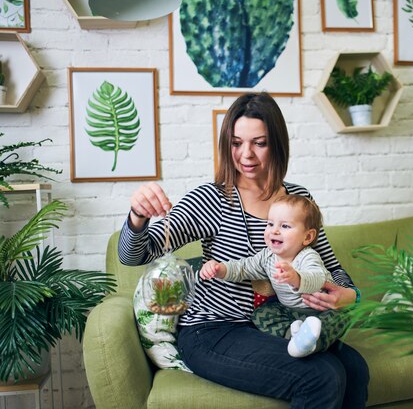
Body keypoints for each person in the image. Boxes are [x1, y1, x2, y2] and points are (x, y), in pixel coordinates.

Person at [118, 92, 369, 409]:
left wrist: (349, 295)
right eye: (236, 143)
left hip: (276, 323)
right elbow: (134, 255)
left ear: (276, 143)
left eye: (259, 143)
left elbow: (332, 270)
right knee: (321, 375)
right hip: (214, 330)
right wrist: (137, 216)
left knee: (356, 369)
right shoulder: (211, 200)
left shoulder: (298, 200)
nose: (246, 154)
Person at [200, 194, 350, 358]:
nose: (275, 230)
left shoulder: (308, 256)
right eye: (270, 224)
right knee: (262, 313)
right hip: (289, 311)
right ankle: (293, 336)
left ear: (307, 237)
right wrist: (219, 268)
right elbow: (243, 267)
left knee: (342, 316)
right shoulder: (267, 256)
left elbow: (317, 278)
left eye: (285, 226)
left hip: (320, 312)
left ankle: (313, 343)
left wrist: (296, 278)